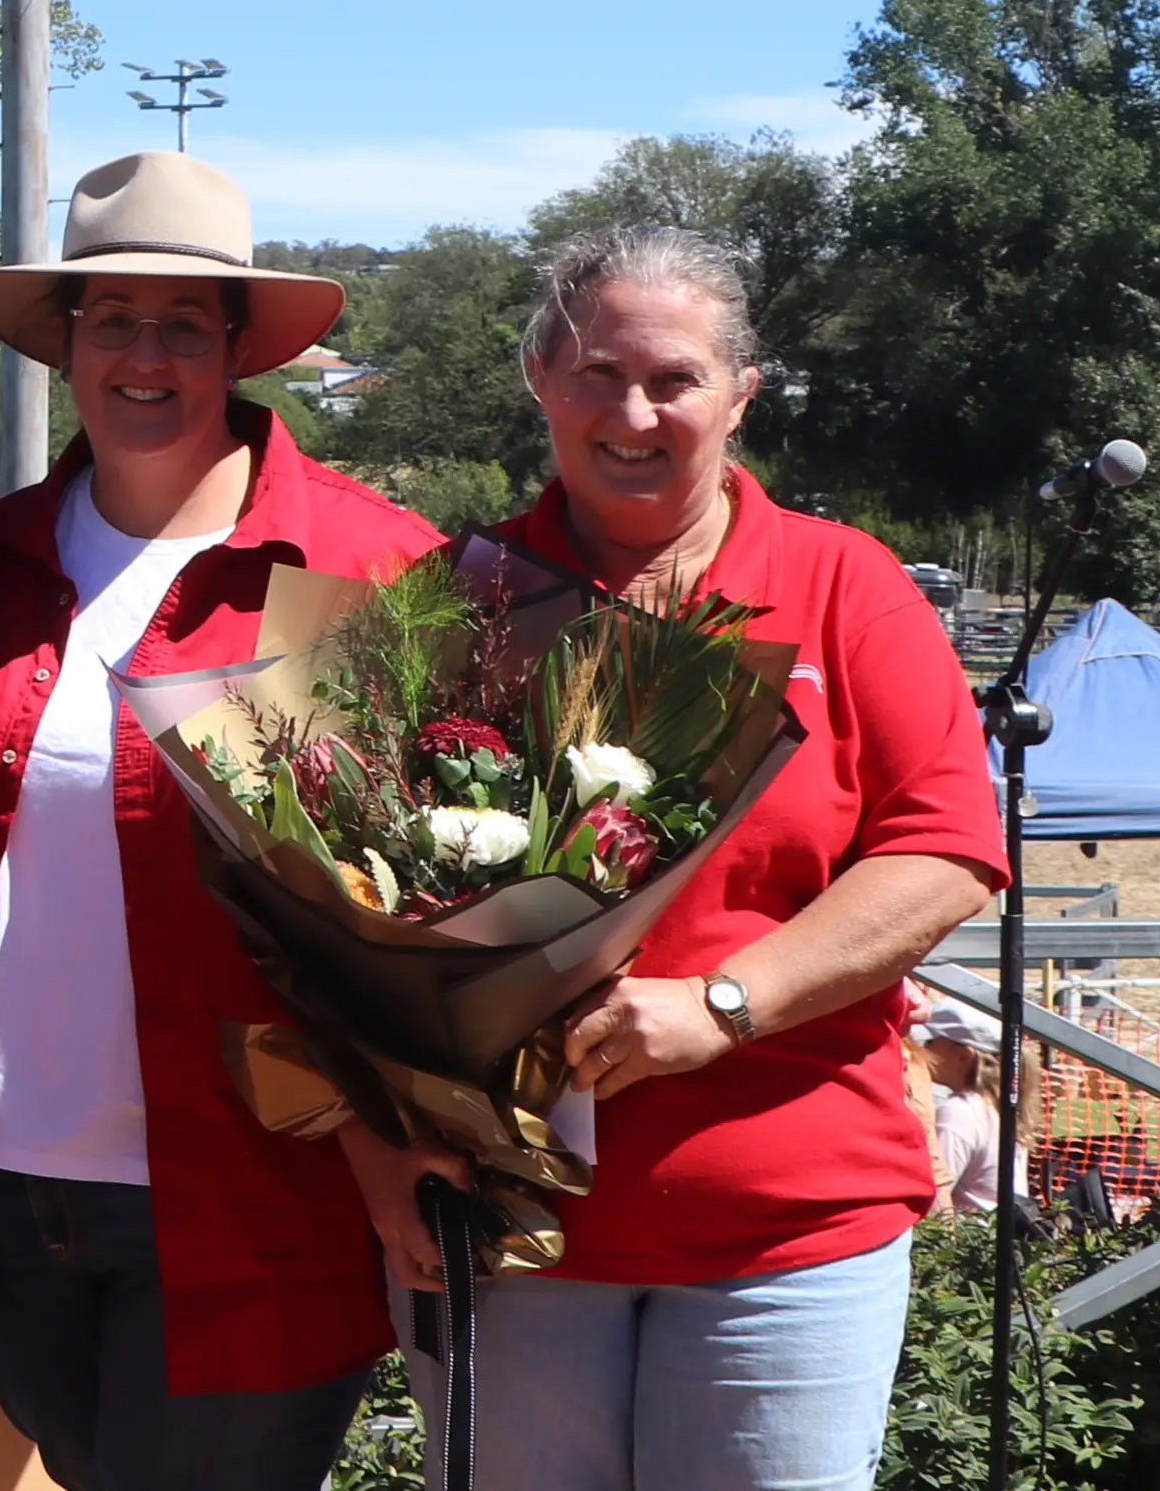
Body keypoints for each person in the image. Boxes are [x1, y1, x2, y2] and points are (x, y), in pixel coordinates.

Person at [414, 222, 1000, 1491]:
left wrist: (725, 1006)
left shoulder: (846, 586)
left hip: (788, 1235)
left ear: (739, 392)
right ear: (538, 383)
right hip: (514, 1229)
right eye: (594, 374)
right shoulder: (465, 600)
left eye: (673, 378)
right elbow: (359, 894)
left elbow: (946, 848)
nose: (633, 413)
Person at [0, 152, 439, 1491]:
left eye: (184, 323)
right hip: (4, 1190)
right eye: (113, 319)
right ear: (65, 341)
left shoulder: (367, 572)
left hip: (255, 1206)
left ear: (237, 348)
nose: (146, 355)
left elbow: (448, 902)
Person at [913, 994, 1014, 1217]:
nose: (923, 1050)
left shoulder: (958, 1112)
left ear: (963, 1056)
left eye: (931, 1043)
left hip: (973, 1238)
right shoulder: (997, 1104)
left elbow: (936, 1194)